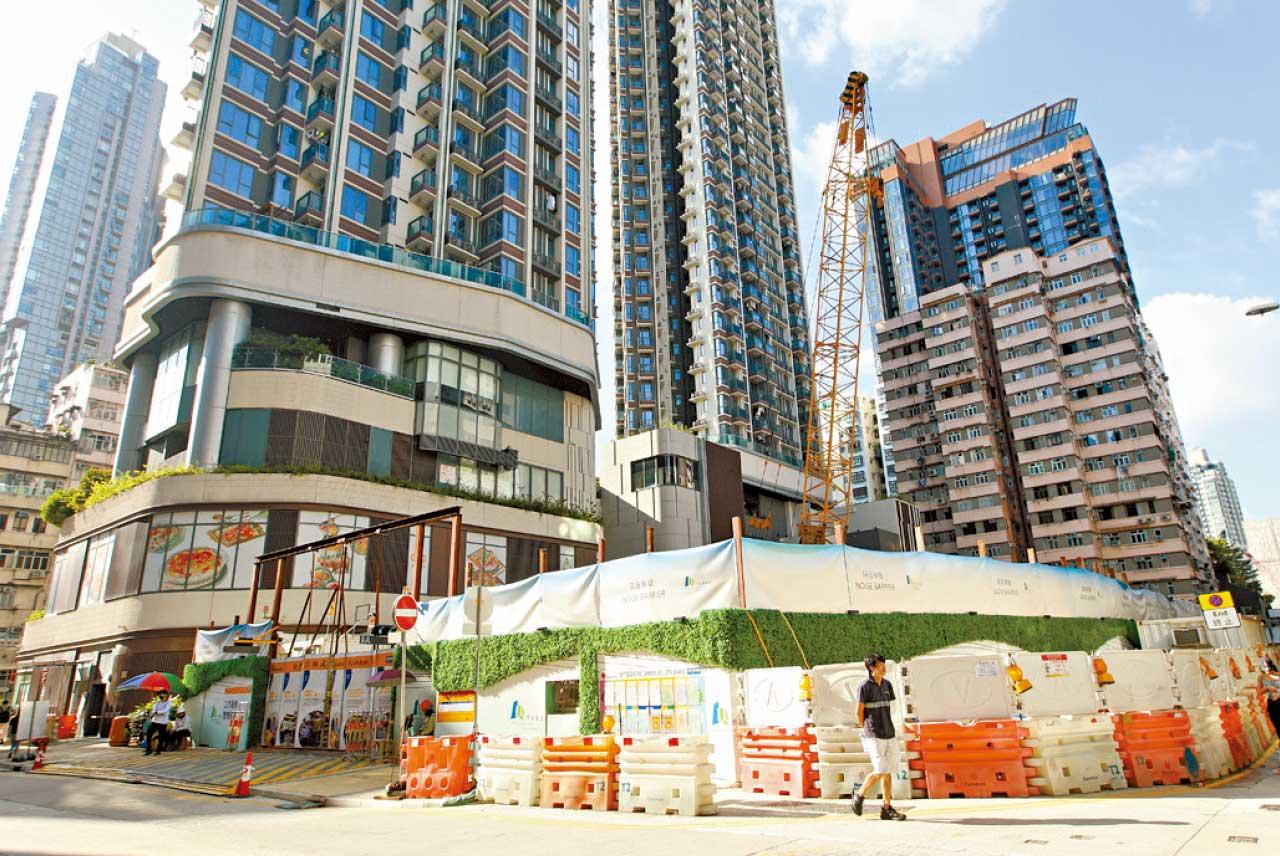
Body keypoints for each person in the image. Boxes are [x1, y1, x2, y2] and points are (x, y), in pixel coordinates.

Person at [853, 653, 906, 821]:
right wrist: (866, 728)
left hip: (889, 733)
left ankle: (886, 808)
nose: (884, 668)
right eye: (880, 665)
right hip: (873, 735)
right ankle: (859, 795)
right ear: (871, 668)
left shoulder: (887, 685)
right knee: (881, 770)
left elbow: (889, 709)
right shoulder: (864, 687)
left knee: (887, 771)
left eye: (884, 665)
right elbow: (859, 712)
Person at [144, 691, 172, 756]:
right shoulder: (157, 703)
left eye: (163, 694)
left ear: (166, 695)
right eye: (160, 694)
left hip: (163, 722)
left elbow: (165, 711)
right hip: (155, 721)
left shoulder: (169, 703)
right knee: (149, 734)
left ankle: (158, 750)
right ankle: (149, 750)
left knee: (161, 737)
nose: (161, 695)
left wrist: (157, 712)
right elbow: (153, 711)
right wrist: (155, 713)